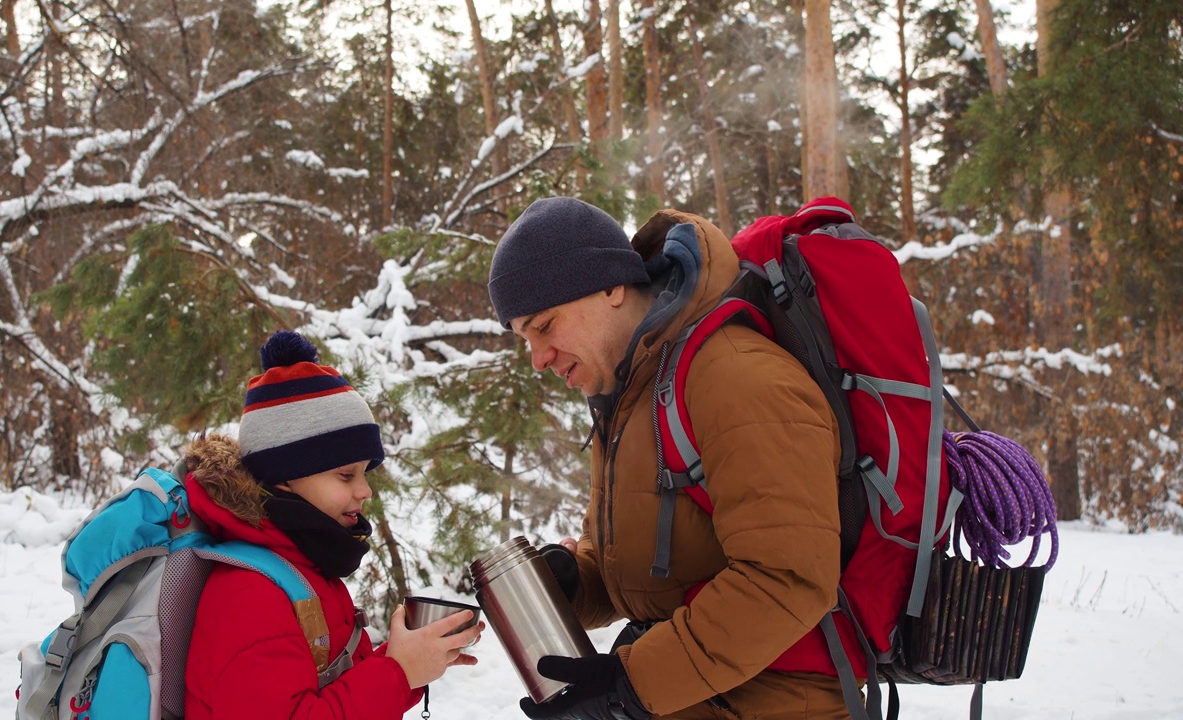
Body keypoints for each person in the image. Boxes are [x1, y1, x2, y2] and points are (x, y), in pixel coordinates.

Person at [486, 197, 847, 719]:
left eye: (544, 326)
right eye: (524, 339)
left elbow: (787, 578)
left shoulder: (737, 377)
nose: (538, 359)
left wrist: (629, 684)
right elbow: (667, 569)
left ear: (609, 287)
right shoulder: (631, 394)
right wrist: (578, 578)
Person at [182, 330, 483, 720]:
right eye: (346, 475)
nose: (365, 491)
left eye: (365, 473)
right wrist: (396, 673)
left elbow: (324, 692)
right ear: (285, 477)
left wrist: (407, 663)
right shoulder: (250, 594)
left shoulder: (302, 566)